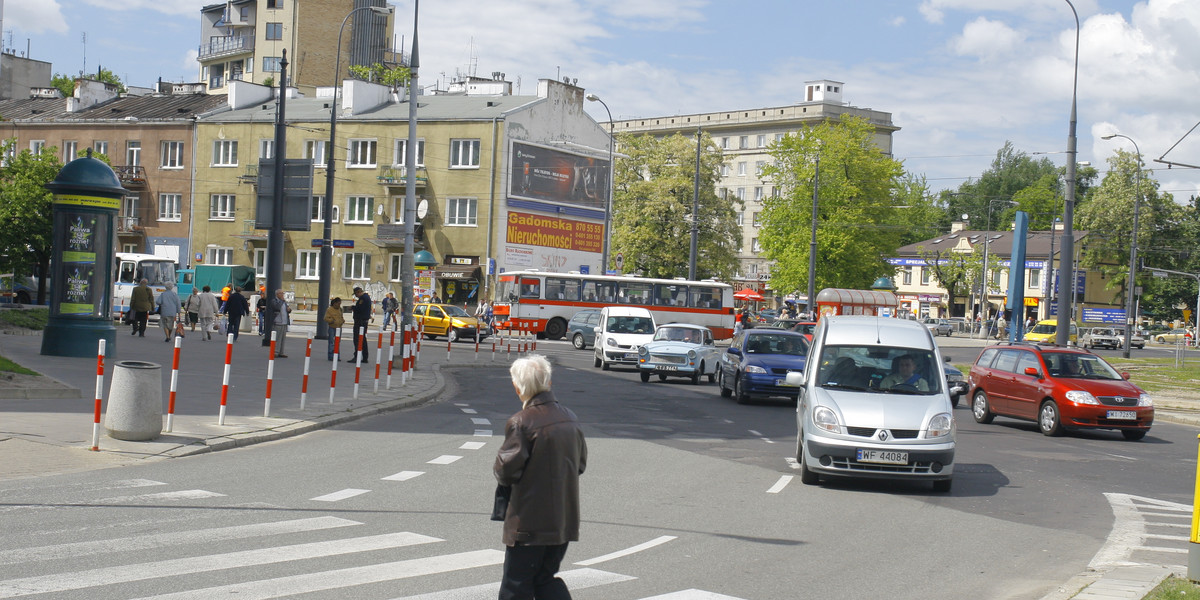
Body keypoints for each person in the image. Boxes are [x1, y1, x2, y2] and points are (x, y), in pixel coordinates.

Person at [494, 354, 587, 600]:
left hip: (528, 524)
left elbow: (506, 471)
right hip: (562, 521)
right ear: (548, 384)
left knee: (516, 586)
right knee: (545, 580)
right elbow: (580, 464)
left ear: (518, 388)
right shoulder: (570, 417)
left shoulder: (521, 422)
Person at [348, 286, 373, 363]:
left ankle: (357, 356)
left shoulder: (363, 298)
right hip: (363, 321)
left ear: (358, 292)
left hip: (360, 321)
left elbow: (360, 309)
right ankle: (364, 357)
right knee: (363, 340)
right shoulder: (366, 297)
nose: (356, 296)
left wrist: (353, 308)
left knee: (357, 339)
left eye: (356, 294)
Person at [272, 289, 292, 358]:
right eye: (281, 293)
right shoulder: (275, 301)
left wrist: (289, 310)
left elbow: (287, 309)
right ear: (277, 294)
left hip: (284, 322)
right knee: (278, 338)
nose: (282, 295)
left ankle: (281, 352)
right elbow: (277, 307)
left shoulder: (284, 302)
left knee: (283, 338)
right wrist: (282, 301)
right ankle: (275, 352)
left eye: (283, 293)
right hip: (278, 322)